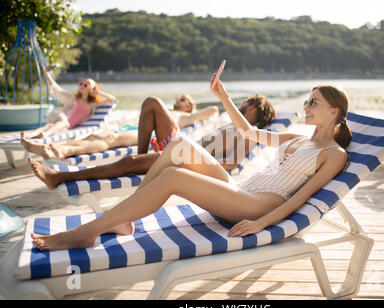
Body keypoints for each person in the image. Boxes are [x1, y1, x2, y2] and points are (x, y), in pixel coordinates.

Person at [31, 75, 351, 251]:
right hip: (240, 190)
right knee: (180, 148)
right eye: (307, 100)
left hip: (258, 206)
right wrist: (223, 95)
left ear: (333, 111)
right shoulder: (296, 136)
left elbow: (302, 196)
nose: (306, 106)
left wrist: (263, 223)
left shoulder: (334, 155)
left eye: (314, 102)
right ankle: (121, 217)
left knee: (174, 177)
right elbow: (249, 132)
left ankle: (90, 231)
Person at [28, 94, 276, 189]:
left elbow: (231, 165)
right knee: (151, 103)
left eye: (249, 104)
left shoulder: (249, 132)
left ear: (258, 111)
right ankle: (142, 159)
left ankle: (60, 177)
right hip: (179, 147)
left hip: (186, 159)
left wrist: (195, 160)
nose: (243, 104)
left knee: (127, 163)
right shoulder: (235, 125)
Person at [21, 94, 219, 159]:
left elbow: (212, 109)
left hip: (155, 137)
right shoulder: (166, 110)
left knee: (109, 141)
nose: (178, 99)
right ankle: (52, 148)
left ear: (189, 106)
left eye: (183, 99)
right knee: (95, 137)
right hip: (137, 129)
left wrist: (195, 112)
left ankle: (61, 151)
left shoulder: (187, 116)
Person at [20, 66, 117, 140]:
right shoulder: (72, 97)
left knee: (50, 126)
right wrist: (47, 74)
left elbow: (112, 100)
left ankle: (30, 134)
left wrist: (99, 92)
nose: (82, 85)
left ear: (92, 88)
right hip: (61, 116)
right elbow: (56, 87)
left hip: (66, 125)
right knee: (63, 123)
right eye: (81, 83)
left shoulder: (93, 105)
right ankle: (45, 135)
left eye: (86, 84)